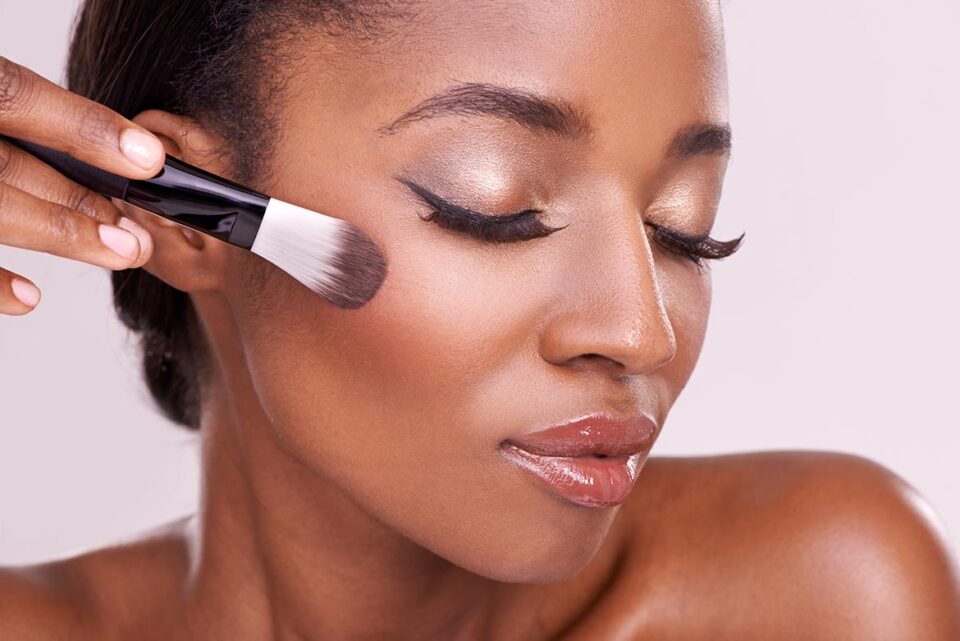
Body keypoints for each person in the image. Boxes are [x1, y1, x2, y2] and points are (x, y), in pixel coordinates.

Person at [1, 1, 958, 639]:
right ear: (185, 215)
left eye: (683, 227)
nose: (640, 332)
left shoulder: (824, 596)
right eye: (494, 207)